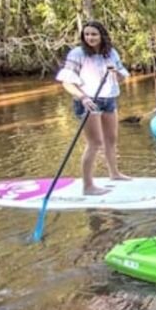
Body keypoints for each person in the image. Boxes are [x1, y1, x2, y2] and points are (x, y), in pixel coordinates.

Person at [56, 21, 131, 195]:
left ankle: (114, 174)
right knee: (95, 142)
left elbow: (121, 78)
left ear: (102, 36)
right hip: (88, 100)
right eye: (87, 34)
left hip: (109, 98)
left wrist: (116, 73)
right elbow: (67, 82)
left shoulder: (111, 53)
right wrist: (82, 97)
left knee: (111, 139)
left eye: (94, 34)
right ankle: (88, 186)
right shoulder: (77, 53)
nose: (90, 37)